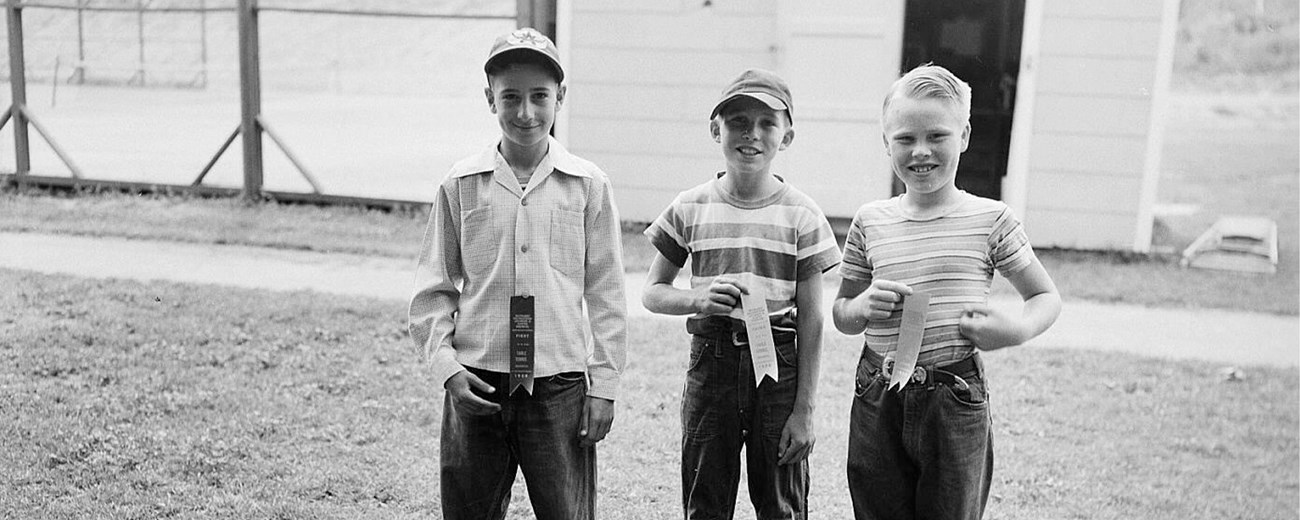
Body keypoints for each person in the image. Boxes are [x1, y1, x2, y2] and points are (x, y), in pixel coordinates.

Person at [408, 27, 627, 520]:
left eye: (539, 96)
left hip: (558, 383)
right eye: (510, 97)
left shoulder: (588, 186)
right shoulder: (461, 184)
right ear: (490, 99)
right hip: (477, 380)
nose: (526, 112)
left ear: (560, 97)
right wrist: (447, 369)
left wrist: (604, 387)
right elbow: (433, 290)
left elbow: (608, 294)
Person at [832, 64, 1061, 520]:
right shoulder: (870, 221)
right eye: (905, 138)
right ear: (886, 142)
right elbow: (841, 312)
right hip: (878, 396)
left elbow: (1045, 297)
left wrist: (1015, 331)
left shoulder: (991, 220)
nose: (921, 151)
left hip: (953, 397)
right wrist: (861, 306)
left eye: (937, 136)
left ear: (965, 136)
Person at [642, 68, 842, 520]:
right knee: (706, 498)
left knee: (780, 501)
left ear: (786, 137)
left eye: (767, 123)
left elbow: (812, 319)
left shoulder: (802, 214)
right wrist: (697, 299)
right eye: (738, 122)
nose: (751, 134)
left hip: (779, 365)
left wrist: (805, 410)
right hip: (712, 360)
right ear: (716, 130)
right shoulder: (690, 206)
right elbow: (653, 292)